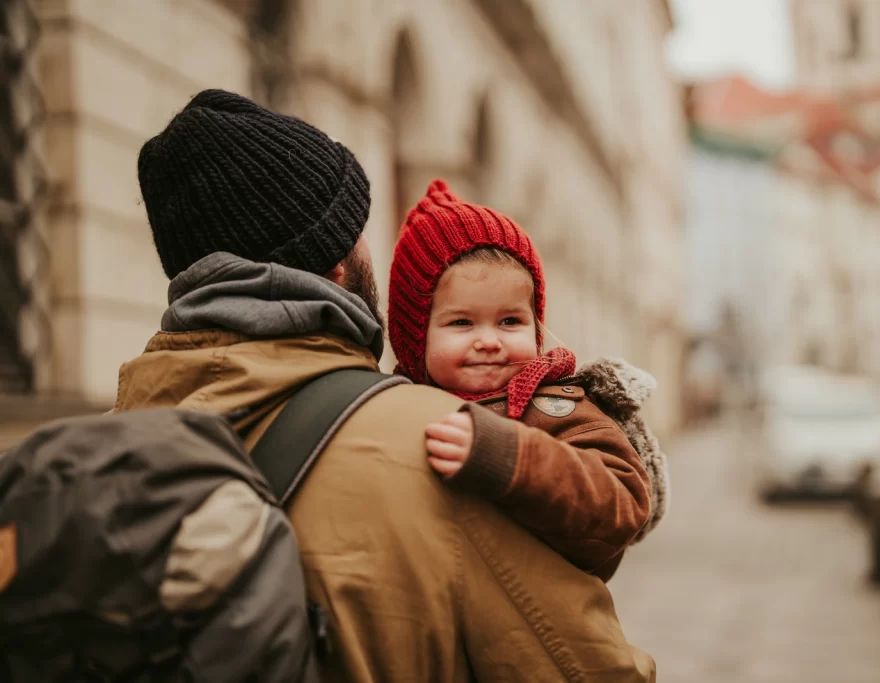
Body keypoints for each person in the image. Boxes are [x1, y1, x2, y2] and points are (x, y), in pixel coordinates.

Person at [113, 89, 656, 682]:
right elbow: (588, 667)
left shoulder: (124, 437)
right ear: (338, 264)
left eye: (509, 320)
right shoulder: (437, 443)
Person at [388, 180, 668, 580]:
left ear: (535, 326)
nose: (489, 341)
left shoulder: (559, 408)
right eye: (462, 322)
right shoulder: (394, 408)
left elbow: (623, 504)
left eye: (510, 321)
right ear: (415, 335)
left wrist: (515, 458)